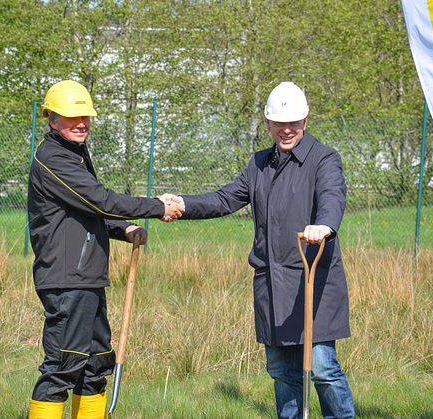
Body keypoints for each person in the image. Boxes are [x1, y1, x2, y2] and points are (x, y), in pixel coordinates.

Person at [165, 81, 355, 418]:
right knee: (283, 371)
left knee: (323, 367)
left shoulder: (324, 159)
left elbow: (332, 197)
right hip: (272, 283)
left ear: (306, 121)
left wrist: (324, 226)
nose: (286, 130)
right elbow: (224, 199)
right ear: (268, 124)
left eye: (293, 123)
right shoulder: (258, 165)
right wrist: (183, 203)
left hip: (313, 280)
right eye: (279, 123)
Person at [26, 80, 182, 419]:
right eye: (71, 117)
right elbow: (100, 199)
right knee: (63, 365)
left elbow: (87, 211)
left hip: (88, 278)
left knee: (95, 364)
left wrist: (123, 229)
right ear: (51, 119)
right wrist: (156, 206)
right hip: (66, 279)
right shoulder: (53, 157)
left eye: (85, 116)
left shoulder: (75, 154)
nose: (81, 123)